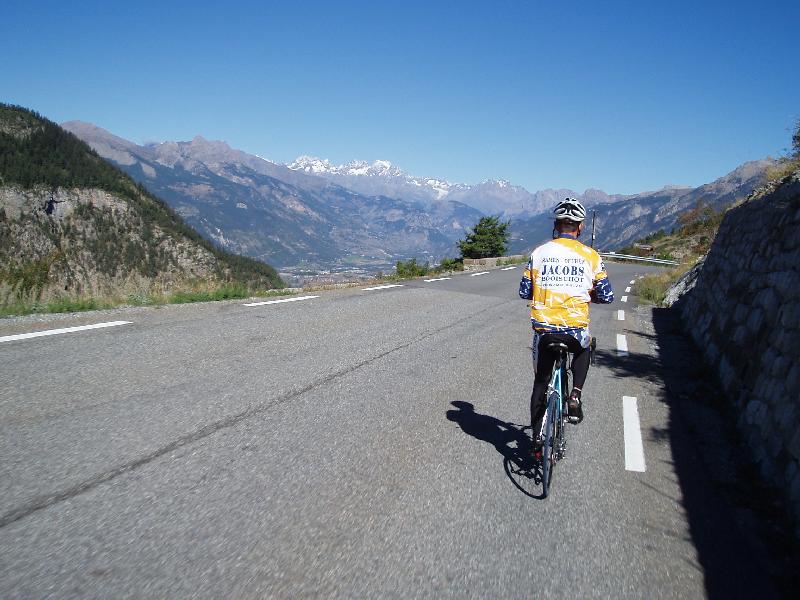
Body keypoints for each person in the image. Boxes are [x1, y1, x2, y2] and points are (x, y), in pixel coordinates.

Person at [518, 198, 614, 456]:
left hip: (545, 331)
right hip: (574, 330)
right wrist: (585, 293)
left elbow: (524, 291)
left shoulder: (539, 253)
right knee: (586, 346)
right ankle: (575, 395)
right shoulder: (591, 256)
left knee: (541, 382)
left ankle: (537, 439)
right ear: (580, 227)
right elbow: (606, 295)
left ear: (556, 225)